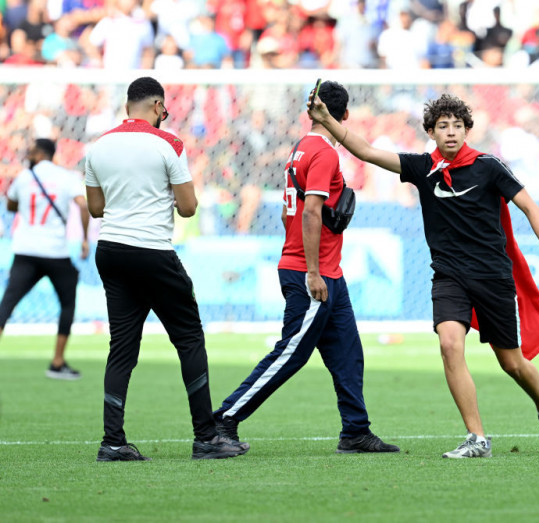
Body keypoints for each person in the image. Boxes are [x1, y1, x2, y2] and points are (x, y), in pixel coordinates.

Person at [308, 90, 539, 459]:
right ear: (430, 131)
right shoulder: (421, 168)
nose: (451, 132)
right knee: (449, 344)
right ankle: (477, 438)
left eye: (457, 126)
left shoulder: (489, 165)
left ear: (467, 130)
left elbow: (529, 206)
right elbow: (365, 151)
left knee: (511, 362)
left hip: (493, 277)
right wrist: (328, 119)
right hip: (448, 277)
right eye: (443, 126)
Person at [213, 81, 399, 455]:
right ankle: (222, 421)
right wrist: (310, 270)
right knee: (291, 353)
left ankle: (355, 431)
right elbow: (311, 210)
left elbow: (289, 211)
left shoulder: (300, 148)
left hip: (327, 270)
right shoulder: (326, 154)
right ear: (343, 116)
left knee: (347, 351)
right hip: (313, 273)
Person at [84, 76, 248, 462]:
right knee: (189, 338)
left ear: (128, 107)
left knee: (121, 348)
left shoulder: (99, 146)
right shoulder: (169, 143)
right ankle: (206, 438)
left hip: (111, 250)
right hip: (153, 251)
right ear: (158, 107)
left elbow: (95, 209)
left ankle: (112, 442)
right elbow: (189, 207)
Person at [0, 138, 89, 380]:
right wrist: (83, 239)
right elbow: (82, 205)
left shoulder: (23, 177)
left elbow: (10, 206)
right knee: (68, 303)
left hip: (26, 249)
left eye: (31, 151)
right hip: (55, 251)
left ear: (40, 154)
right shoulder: (66, 177)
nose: (28, 154)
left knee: (7, 304)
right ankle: (57, 362)